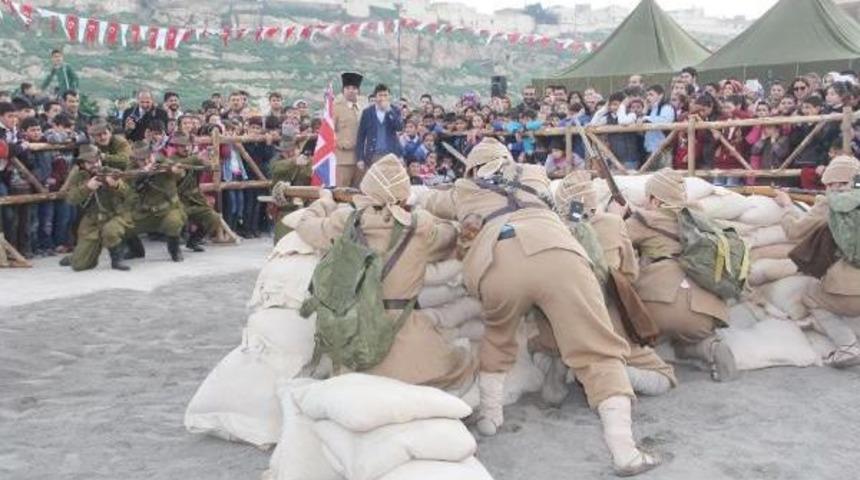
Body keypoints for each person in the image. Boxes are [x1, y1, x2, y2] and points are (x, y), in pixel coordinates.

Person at [420, 138, 660, 477]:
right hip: (561, 255)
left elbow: (427, 201)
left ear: (471, 168)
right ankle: (625, 450)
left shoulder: (464, 189)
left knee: (499, 336)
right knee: (598, 352)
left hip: (499, 262)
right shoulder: (533, 174)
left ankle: (490, 417)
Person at [293, 154, 477, 390]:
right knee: (460, 366)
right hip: (407, 334)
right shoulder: (420, 226)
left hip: (355, 335)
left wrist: (324, 201)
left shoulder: (345, 221)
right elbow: (451, 235)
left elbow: (306, 226)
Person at [551, 173, 676, 396]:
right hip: (605, 316)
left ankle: (561, 360)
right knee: (663, 376)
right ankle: (618, 374)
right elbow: (630, 274)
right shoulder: (612, 223)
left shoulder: (551, 229)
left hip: (559, 321)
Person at [622, 169, 737, 382]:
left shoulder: (643, 220)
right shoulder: (702, 221)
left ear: (655, 200)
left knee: (630, 323)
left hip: (659, 308)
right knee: (685, 343)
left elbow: (614, 242)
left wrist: (617, 216)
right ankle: (710, 348)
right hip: (706, 313)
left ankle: (635, 363)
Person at [775, 156, 860, 367]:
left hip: (851, 289)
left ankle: (847, 345)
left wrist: (786, 206)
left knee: (811, 296)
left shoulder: (829, 204)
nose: (833, 188)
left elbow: (794, 231)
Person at [59, 145, 133, 271]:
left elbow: (131, 195)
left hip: (114, 216)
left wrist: (117, 185)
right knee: (79, 265)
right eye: (90, 162)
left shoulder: (111, 172)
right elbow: (70, 199)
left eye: (97, 160)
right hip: (92, 220)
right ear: (82, 164)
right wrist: (87, 187)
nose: (95, 164)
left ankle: (117, 260)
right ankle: (78, 256)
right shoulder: (78, 176)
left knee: (110, 231)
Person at [126, 142, 188, 262]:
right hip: (145, 211)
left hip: (167, 209)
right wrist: (144, 172)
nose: (146, 161)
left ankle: (174, 250)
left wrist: (176, 171)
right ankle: (136, 250)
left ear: (152, 155)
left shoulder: (163, 162)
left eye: (148, 158)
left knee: (173, 222)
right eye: (141, 160)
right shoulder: (132, 167)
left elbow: (179, 173)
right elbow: (127, 180)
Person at [167, 134, 220, 252]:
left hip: (195, 199)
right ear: (176, 147)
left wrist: (207, 159)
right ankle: (174, 248)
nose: (185, 148)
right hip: (178, 201)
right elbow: (179, 165)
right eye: (182, 146)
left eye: (187, 146)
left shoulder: (194, 158)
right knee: (175, 221)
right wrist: (197, 158)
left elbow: (208, 167)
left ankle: (194, 241)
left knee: (214, 218)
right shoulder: (171, 160)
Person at [269, 135, 312, 244]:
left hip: (302, 202)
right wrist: (294, 162)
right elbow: (275, 169)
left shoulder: (304, 161)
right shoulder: (277, 161)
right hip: (284, 204)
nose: (288, 153)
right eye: (285, 151)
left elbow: (308, 177)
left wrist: (306, 164)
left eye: (291, 151)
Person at [356, 84, 403, 171]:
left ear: (389, 96)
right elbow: (361, 137)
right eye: (380, 95)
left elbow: (399, 127)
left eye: (385, 95)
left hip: (391, 154)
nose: (383, 98)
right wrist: (360, 158)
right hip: (373, 154)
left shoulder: (395, 110)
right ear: (375, 97)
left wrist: (389, 111)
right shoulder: (367, 112)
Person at [332, 72, 363, 187]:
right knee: (341, 192)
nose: (351, 90)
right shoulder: (336, 108)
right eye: (347, 88)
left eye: (354, 88)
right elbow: (328, 132)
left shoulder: (362, 109)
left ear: (358, 91)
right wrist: (340, 143)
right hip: (342, 158)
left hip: (360, 159)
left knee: (358, 193)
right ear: (343, 90)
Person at [640, 85, 675, 170]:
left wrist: (646, 118)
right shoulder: (650, 110)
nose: (648, 97)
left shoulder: (666, 107)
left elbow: (666, 121)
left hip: (663, 150)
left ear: (660, 95)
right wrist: (644, 111)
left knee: (665, 176)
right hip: (650, 150)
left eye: (651, 95)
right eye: (647, 95)